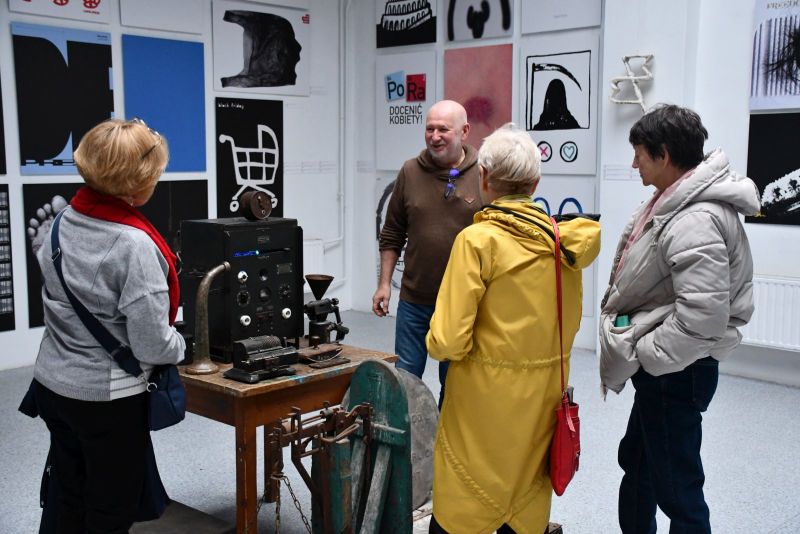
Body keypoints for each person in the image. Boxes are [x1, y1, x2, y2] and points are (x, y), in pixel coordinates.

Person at [426, 124, 601, 533]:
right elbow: (569, 325)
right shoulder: (563, 245)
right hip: (540, 403)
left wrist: (436, 337)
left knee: (463, 502)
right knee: (523, 502)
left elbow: (447, 341)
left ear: (484, 177)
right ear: (535, 184)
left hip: (480, 406)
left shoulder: (477, 241)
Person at [599, 104, 759, 533]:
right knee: (639, 465)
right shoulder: (673, 204)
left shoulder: (695, 220)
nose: (634, 163)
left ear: (664, 154)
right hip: (668, 370)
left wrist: (646, 354)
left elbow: (702, 318)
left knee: (678, 491)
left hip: (676, 371)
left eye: (639, 154)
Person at [29, 118, 186, 533]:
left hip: (52, 385)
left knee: (69, 495)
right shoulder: (134, 245)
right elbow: (152, 345)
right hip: (106, 401)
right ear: (137, 186)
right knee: (111, 509)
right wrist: (181, 346)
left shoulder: (62, 222)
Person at [372, 99, 481, 404]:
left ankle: (446, 435)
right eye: (429, 129)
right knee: (405, 381)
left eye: (443, 129)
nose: (434, 136)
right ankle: (407, 434)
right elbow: (392, 232)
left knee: (455, 384)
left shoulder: (483, 173)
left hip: (461, 303)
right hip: (414, 299)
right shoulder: (410, 171)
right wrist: (384, 284)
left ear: (464, 131)